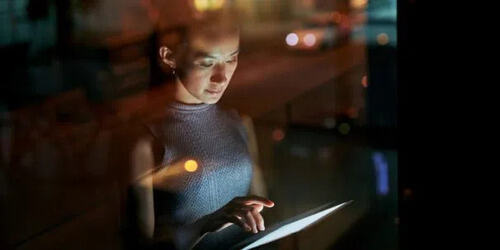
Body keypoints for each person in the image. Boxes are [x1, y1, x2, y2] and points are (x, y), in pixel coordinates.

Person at [123, 12, 274, 250]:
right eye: (207, 63)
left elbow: (264, 212)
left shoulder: (239, 124)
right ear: (169, 57)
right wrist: (205, 224)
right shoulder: (147, 140)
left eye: (232, 58)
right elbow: (142, 244)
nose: (221, 77)